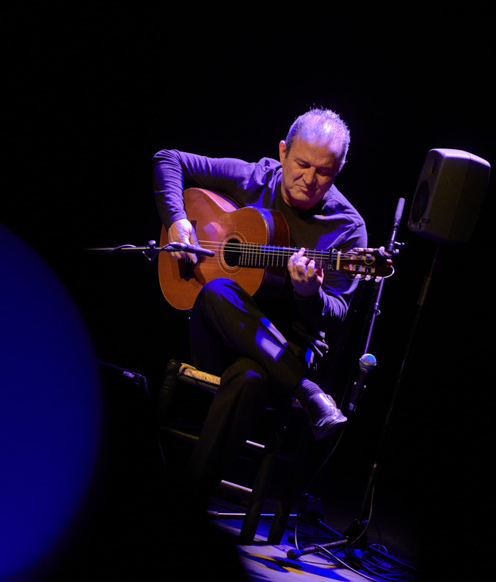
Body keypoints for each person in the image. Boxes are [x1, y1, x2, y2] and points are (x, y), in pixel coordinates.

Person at [152, 107, 367, 512]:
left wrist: (309, 295)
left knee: (250, 378)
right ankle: (307, 390)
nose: (309, 179)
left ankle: (185, 505)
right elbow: (168, 159)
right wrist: (178, 222)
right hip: (219, 333)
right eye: (301, 164)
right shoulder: (254, 176)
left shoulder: (348, 228)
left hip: (288, 345)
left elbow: (337, 315)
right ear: (283, 152)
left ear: (339, 168)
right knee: (217, 291)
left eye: (325, 172)